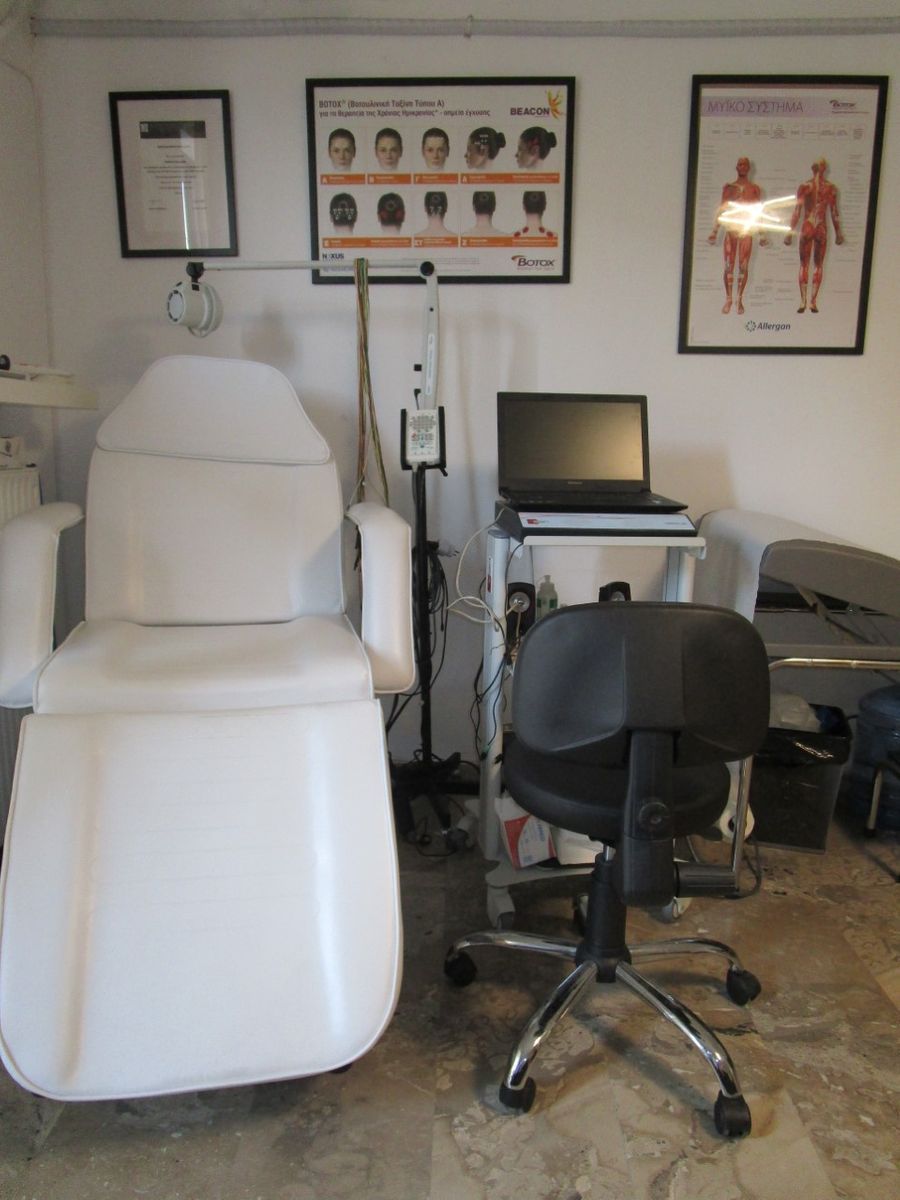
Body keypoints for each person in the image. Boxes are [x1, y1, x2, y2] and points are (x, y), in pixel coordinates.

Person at [708, 156, 768, 315]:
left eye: (745, 165)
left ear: (749, 168)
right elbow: (722, 209)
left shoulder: (754, 189)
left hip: (746, 230)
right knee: (728, 265)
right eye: (740, 164)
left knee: (743, 266)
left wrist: (762, 233)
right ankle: (728, 299)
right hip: (731, 229)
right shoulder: (729, 187)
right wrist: (715, 231)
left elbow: (758, 211)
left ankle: (739, 299)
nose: (742, 167)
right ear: (736, 167)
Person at [784, 158, 844, 313]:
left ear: (813, 169)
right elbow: (834, 212)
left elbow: (797, 212)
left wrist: (789, 233)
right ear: (824, 169)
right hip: (820, 225)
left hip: (808, 224)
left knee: (804, 264)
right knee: (818, 265)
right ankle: (812, 302)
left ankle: (803, 301)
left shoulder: (806, 186)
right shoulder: (830, 188)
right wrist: (838, 233)